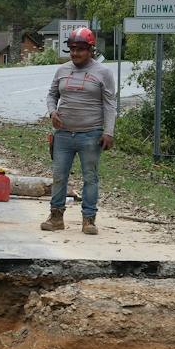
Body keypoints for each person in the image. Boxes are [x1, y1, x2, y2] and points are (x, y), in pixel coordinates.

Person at [43, 26, 116, 234]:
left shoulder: (103, 73)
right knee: (59, 175)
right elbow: (51, 95)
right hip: (64, 134)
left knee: (90, 177)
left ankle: (89, 219)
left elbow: (110, 104)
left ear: (91, 50)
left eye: (80, 49)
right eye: (72, 49)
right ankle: (56, 217)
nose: (75, 53)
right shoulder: (62, 70)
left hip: (91, 134)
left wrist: (108, 132)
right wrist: (52, 112)